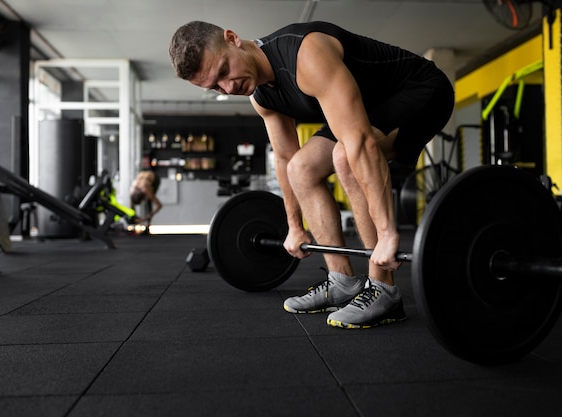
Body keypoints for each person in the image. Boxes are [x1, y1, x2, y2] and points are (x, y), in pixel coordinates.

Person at [169, 21, 454, 329]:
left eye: (224, 71)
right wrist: (294, 226)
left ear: (232, 39)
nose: (228, 87)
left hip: (421, 89)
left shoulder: (306, 54)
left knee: (344, 155)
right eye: (215, 87)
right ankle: (342, 281)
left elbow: (359, 142)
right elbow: (286, 157)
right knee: (301, 169)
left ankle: (384, 291)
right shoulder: (261, 96)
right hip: (367, 107)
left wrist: (387, 234)